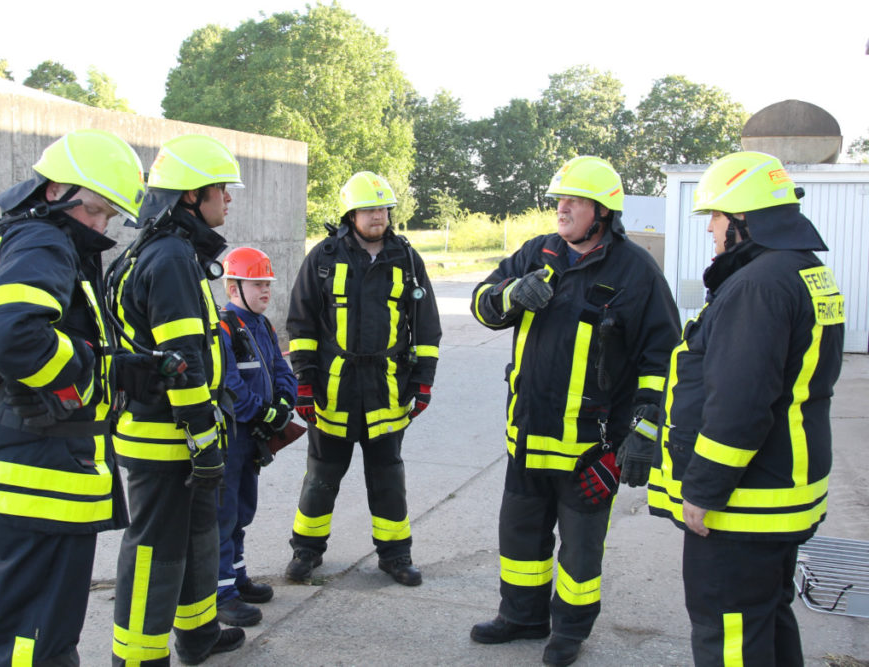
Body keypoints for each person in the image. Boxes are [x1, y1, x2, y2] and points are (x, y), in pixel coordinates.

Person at [0, 129, 164, 665]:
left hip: (23, 479)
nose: (100, 226)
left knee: (34, 643)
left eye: (108, 216)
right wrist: (81, 381)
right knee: (30, 651)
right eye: (94, 210)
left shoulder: (18, 239)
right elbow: (11, 337)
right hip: (32, 484)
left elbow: (51, 343)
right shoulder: (42, 242)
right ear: (53, 192)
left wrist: (121, 370)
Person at [469, 156, 680, 666]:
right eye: (559, 199)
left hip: (591, 447)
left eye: (575, 201)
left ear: (602, 212)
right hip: (528, 435)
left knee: (581, 551)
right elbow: (482, 303)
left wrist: (643, 429)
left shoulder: (636, 271)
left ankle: (569, 630)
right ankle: (522, 616)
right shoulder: (537, 252)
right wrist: (511, 294)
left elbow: (662, 358)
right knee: (520, 536)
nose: (561, 208)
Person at [647, 151, 844, 666]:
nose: (710, 228)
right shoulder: (804, 270)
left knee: (730, 632)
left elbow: (740, 403)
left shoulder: (758, 284)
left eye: (715, 215)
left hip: (744, 503)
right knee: (767, 617)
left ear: (743, 219)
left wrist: (704, 488)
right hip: (784, 486)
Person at [107, 134, 245, 665]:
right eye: (220, 189)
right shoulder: (169, 257)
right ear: (191, 196)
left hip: (175, 437)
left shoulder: (170, 250)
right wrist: (204, 441)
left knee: (197, 540)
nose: (227, 198)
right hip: (166, 441)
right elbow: (182, 360)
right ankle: (138, 657)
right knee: (156, 552)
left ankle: (198, 634)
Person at [285, 171, 442, 587]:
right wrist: (304, 382)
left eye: (384, 209)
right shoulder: (323, 257)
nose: (378, 216)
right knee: (321, 476)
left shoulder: (407, 259)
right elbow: (301, 323)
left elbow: (426, 327)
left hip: (387, 388)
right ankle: (306, 551)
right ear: (350, 214)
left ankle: (396, 555)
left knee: (388, 476)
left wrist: (423, 382)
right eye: (369, 209)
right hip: (332, 389)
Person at [214, 247, 298, 627]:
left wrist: (283, 402)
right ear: (234, 288)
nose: (266, 290)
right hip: (232, 437)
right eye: (257, 284)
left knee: (242, 510)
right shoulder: (224, 327)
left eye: (267, 284)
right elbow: (228, 384)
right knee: (224, 513)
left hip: (254, 436)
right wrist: (262, 412)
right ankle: (221, 594)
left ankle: (237, 577)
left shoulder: (263, 325)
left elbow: (282, 369)